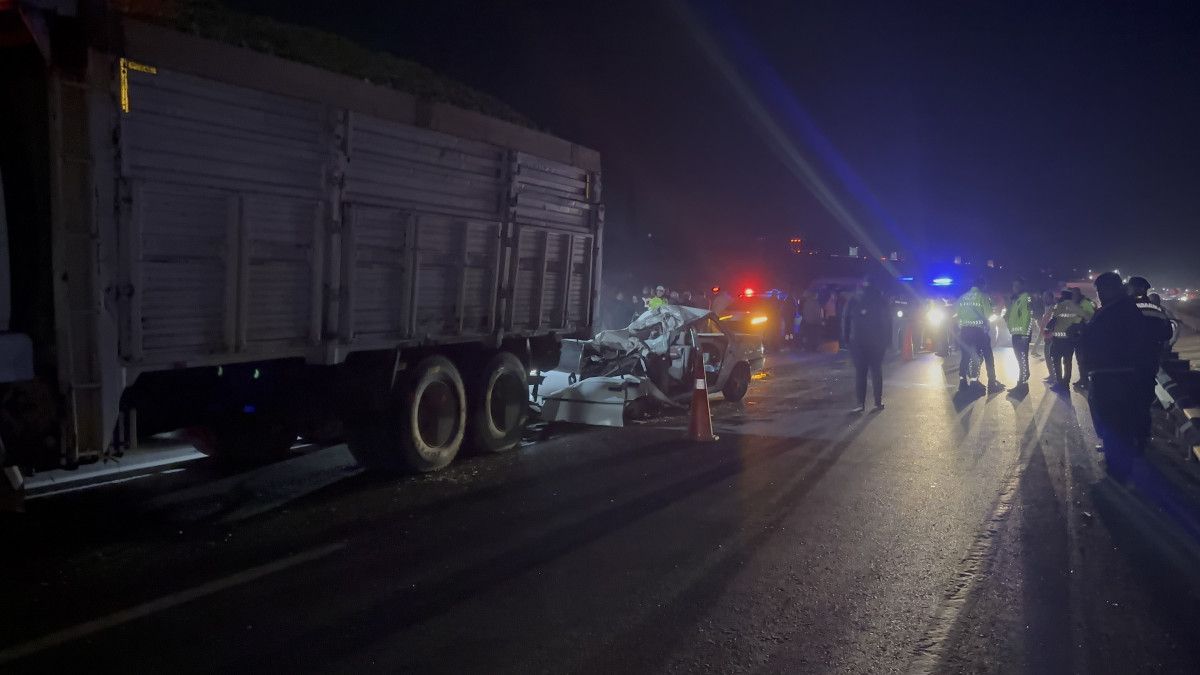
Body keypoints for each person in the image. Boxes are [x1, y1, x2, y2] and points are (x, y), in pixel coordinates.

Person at [1079, 272, 1148, 481]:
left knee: (1112, 422)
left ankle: (1117, 469)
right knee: (1119, 422)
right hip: (1121, 374)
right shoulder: (1126, 309)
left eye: (1100, 291)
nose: (1098, 295)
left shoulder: (1113, 311)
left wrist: (1082, 334)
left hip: (1109, 376)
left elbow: (1099, 340)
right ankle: (1120, 465)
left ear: (1110, 289)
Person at [1126, 276, 1174, 442]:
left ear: (1134, 289)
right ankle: (1143, 435)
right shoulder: (1157, 309)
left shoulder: (1127, 307)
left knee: (1128, 399)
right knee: (1145, 400)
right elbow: (1167, 334)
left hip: (1128, 362)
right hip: (1150, 361)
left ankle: (1131, 435)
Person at [842, 279, 892, 412]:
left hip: (859, 341)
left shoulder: (855, 299)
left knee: (861, 373)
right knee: (876, 371)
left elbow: (846, 319)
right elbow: (888, 320)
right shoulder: (881, 300)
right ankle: (877, 401)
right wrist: (888, 340)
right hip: (877, 342)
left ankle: (860, 403)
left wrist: (846, 338)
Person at [956, 277, 1005, 392]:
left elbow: (956, 313)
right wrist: (995, 316)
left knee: (965, 358)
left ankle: (963, 382)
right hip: (979, 331)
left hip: (964, 331)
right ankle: (992, 383)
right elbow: (989, 315)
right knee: (988, 356)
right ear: (982, 285)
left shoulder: (962, 297)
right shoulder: (983, 296)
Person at [1047, 290, 1084, 392]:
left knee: (1056, 361)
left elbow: (1053, 321)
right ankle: (1066, 383)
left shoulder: (1059, 306)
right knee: (1068, 362)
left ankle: (1059, 383)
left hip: (1058, 339)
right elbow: (1080, 320)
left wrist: (1048, 327)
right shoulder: (1075, 307)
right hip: (1069, 340)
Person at [1005, 278, 1034, 389]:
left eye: (1017, 285)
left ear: (1022, 286)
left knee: (1022, 357)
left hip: (1022, 334)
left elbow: (1028, 315)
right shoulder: (1015, 300)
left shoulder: (1026, 297)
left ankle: (1022, 382)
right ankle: (1023, 378)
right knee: (1019, 358)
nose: (1015, 288)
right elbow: (1010, 316)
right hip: (1015, 333)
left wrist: (1026, 334)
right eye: (1013, 286)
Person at [1071, 287, 1096, 390]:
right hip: (1077, 335)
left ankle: (1086, 381)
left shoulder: (1085, 303)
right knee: (1079, 359)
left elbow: (1091, 317)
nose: (1072, 297)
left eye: (1073, 294)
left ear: (1078, 294)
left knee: (1083, 359)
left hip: (1085, 335)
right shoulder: (1075, 303)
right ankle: (1083, 379)